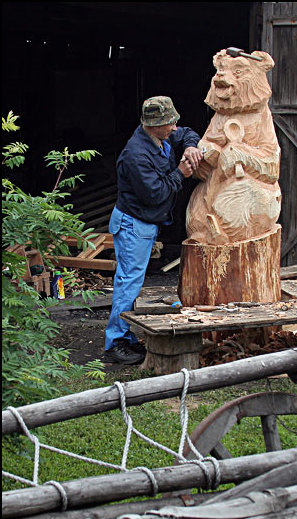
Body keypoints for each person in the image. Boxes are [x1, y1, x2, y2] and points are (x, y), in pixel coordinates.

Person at [104, 96, 203, 364]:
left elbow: (187, 133)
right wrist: (181, 172)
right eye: (169, 123)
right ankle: (116, 343)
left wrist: (191, 147)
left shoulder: (162, 137)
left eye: (174, 121)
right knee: (129, 282)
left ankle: (125, 337)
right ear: (154, 125)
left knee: (132, 281)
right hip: (133, 224)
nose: (174, 128)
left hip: (144, 223)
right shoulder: (135, 155)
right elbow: (155, 194)